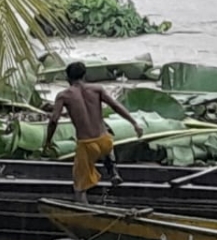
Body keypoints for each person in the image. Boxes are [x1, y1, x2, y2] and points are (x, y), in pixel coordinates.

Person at [43, 62, 144, 201]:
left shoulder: (63, 95)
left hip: (87, 145)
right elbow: (115, 106)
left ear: (67, 78)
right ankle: (112, 170)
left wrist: (48, 141)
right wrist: (134, 123)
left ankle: (82, 212)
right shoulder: (97, 89)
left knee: (79, 187)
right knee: (107, 133)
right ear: (85, 75)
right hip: (105, 142)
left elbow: (54, 120)